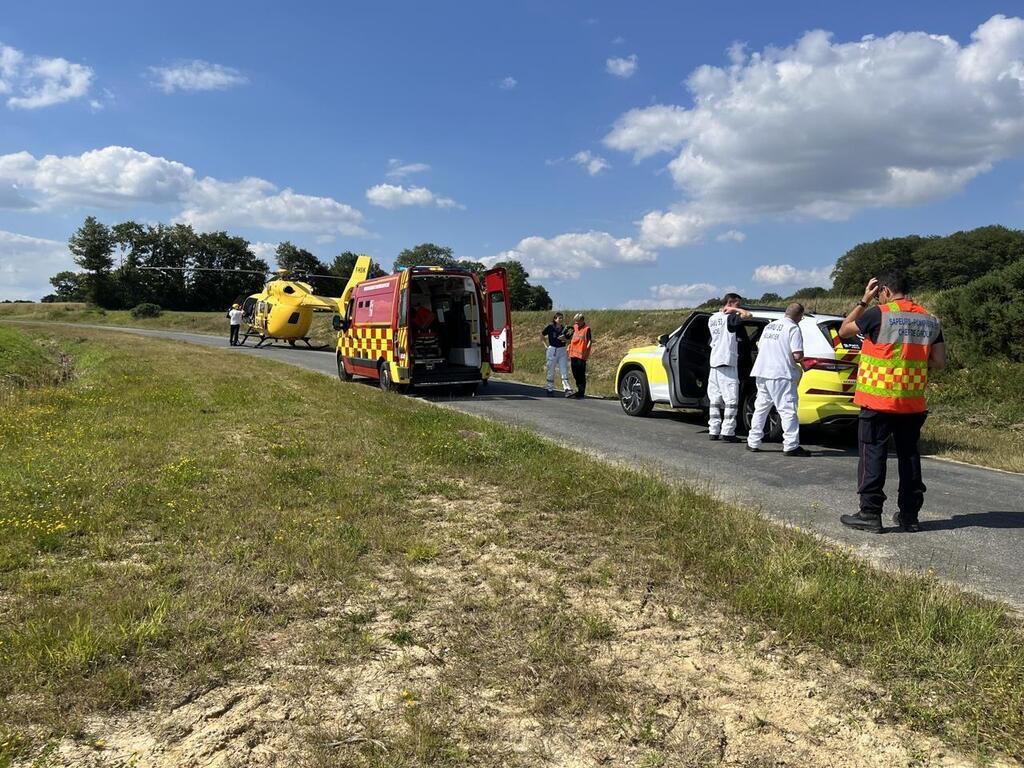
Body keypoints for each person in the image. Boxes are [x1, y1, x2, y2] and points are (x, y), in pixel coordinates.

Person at [837, 273, 945, 534]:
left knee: (873, 454)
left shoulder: (879, 313)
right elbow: (939, 362)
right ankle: (909, 515)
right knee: (909, 456)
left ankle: (870, 513)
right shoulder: (930, 319)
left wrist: (864, 299)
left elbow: (844, 330)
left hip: (877, 401)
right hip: (912, 403)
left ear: (884, 290)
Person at [746, 303, 809, 456]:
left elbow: (761, 346)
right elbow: (797, 355)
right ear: (799, 316)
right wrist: (807, 363)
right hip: (781, 374)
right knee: (788, 410)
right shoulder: (793, 328)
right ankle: (791, 446)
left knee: (761, 408)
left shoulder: (770, 326)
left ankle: (753, 441)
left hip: (762, 372)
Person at [707, 293, 752, 442]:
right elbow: (748, 315)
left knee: (714, 399)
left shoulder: (712, 318)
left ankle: (713, 430)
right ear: (730, 303)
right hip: (727, 362)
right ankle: (728, 432)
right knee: (731, 400)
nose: (740, 308)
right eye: (738, 304)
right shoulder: (730, 318)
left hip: (714, 364)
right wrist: (736, 310)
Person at [541, 312, 572, 397]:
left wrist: (564, 339)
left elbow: (569, 341)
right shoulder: (550, 327)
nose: (561, 320)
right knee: (551, 370)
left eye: (562, 318)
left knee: (564, 369)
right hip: (552, 350)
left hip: (562, 350)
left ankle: (567, 389)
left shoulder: (564, 329)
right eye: (559, 318)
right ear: (555, 319)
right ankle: (549, 389)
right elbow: (542, 335)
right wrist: (546, 346)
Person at [567, 313, 593, 398]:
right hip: (573, 353)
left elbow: (589, 340)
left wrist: (587, 348)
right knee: (575, 373)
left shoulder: (587, 329)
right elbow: (572, 338)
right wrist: (569, 345)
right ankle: (579, 389)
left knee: (581, 374)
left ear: (582, 320)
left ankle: (581, 392)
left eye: (578, 322)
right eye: (575, 322)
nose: (576, 323)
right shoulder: (575, 327)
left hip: (582, 355)